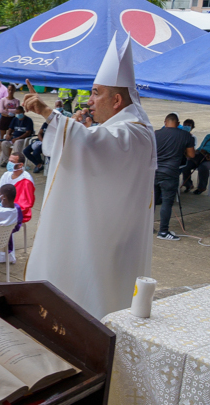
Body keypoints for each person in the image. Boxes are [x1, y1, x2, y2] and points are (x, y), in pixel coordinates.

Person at [22, 33, 156, 320]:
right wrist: (80, 132)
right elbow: (94, 146)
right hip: (112, 230)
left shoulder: (133, 131)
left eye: (97, 92)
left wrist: (47, 112)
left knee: (99, 300)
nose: (90, 100)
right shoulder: (132, 127)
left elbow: (94, 146)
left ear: (117, 99)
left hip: (109, 238)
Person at [155, 114, 195, 241]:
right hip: (170, 172)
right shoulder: (186, 135)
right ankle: (163, 231)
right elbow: (191, 155)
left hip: (153, 171)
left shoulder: (155, 134)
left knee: (151, 202)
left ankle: (146, 227)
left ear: (165, 122)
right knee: (167, 202)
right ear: (178, 123)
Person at [0, 152, 36, 224]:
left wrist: (4, 207)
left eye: (12, 162)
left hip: (16, 211)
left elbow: (24, 203)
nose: (9, 163)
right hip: (2, 205)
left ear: (20, 165)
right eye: (9, 160)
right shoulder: (6, 174)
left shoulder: (26, 181)